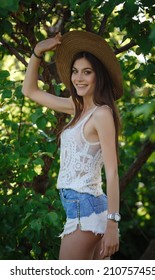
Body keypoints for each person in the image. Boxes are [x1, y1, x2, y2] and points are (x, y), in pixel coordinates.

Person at [22, 30, 123, 260]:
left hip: (85, 211)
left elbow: (113, 172)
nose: (78, 78)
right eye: (75, 71)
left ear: (99, 76)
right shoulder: (77, 108)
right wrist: (38, 50)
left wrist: (113, 225)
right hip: (85, 208)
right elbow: (29, 91)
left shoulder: (101, 114)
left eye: (87, 72)